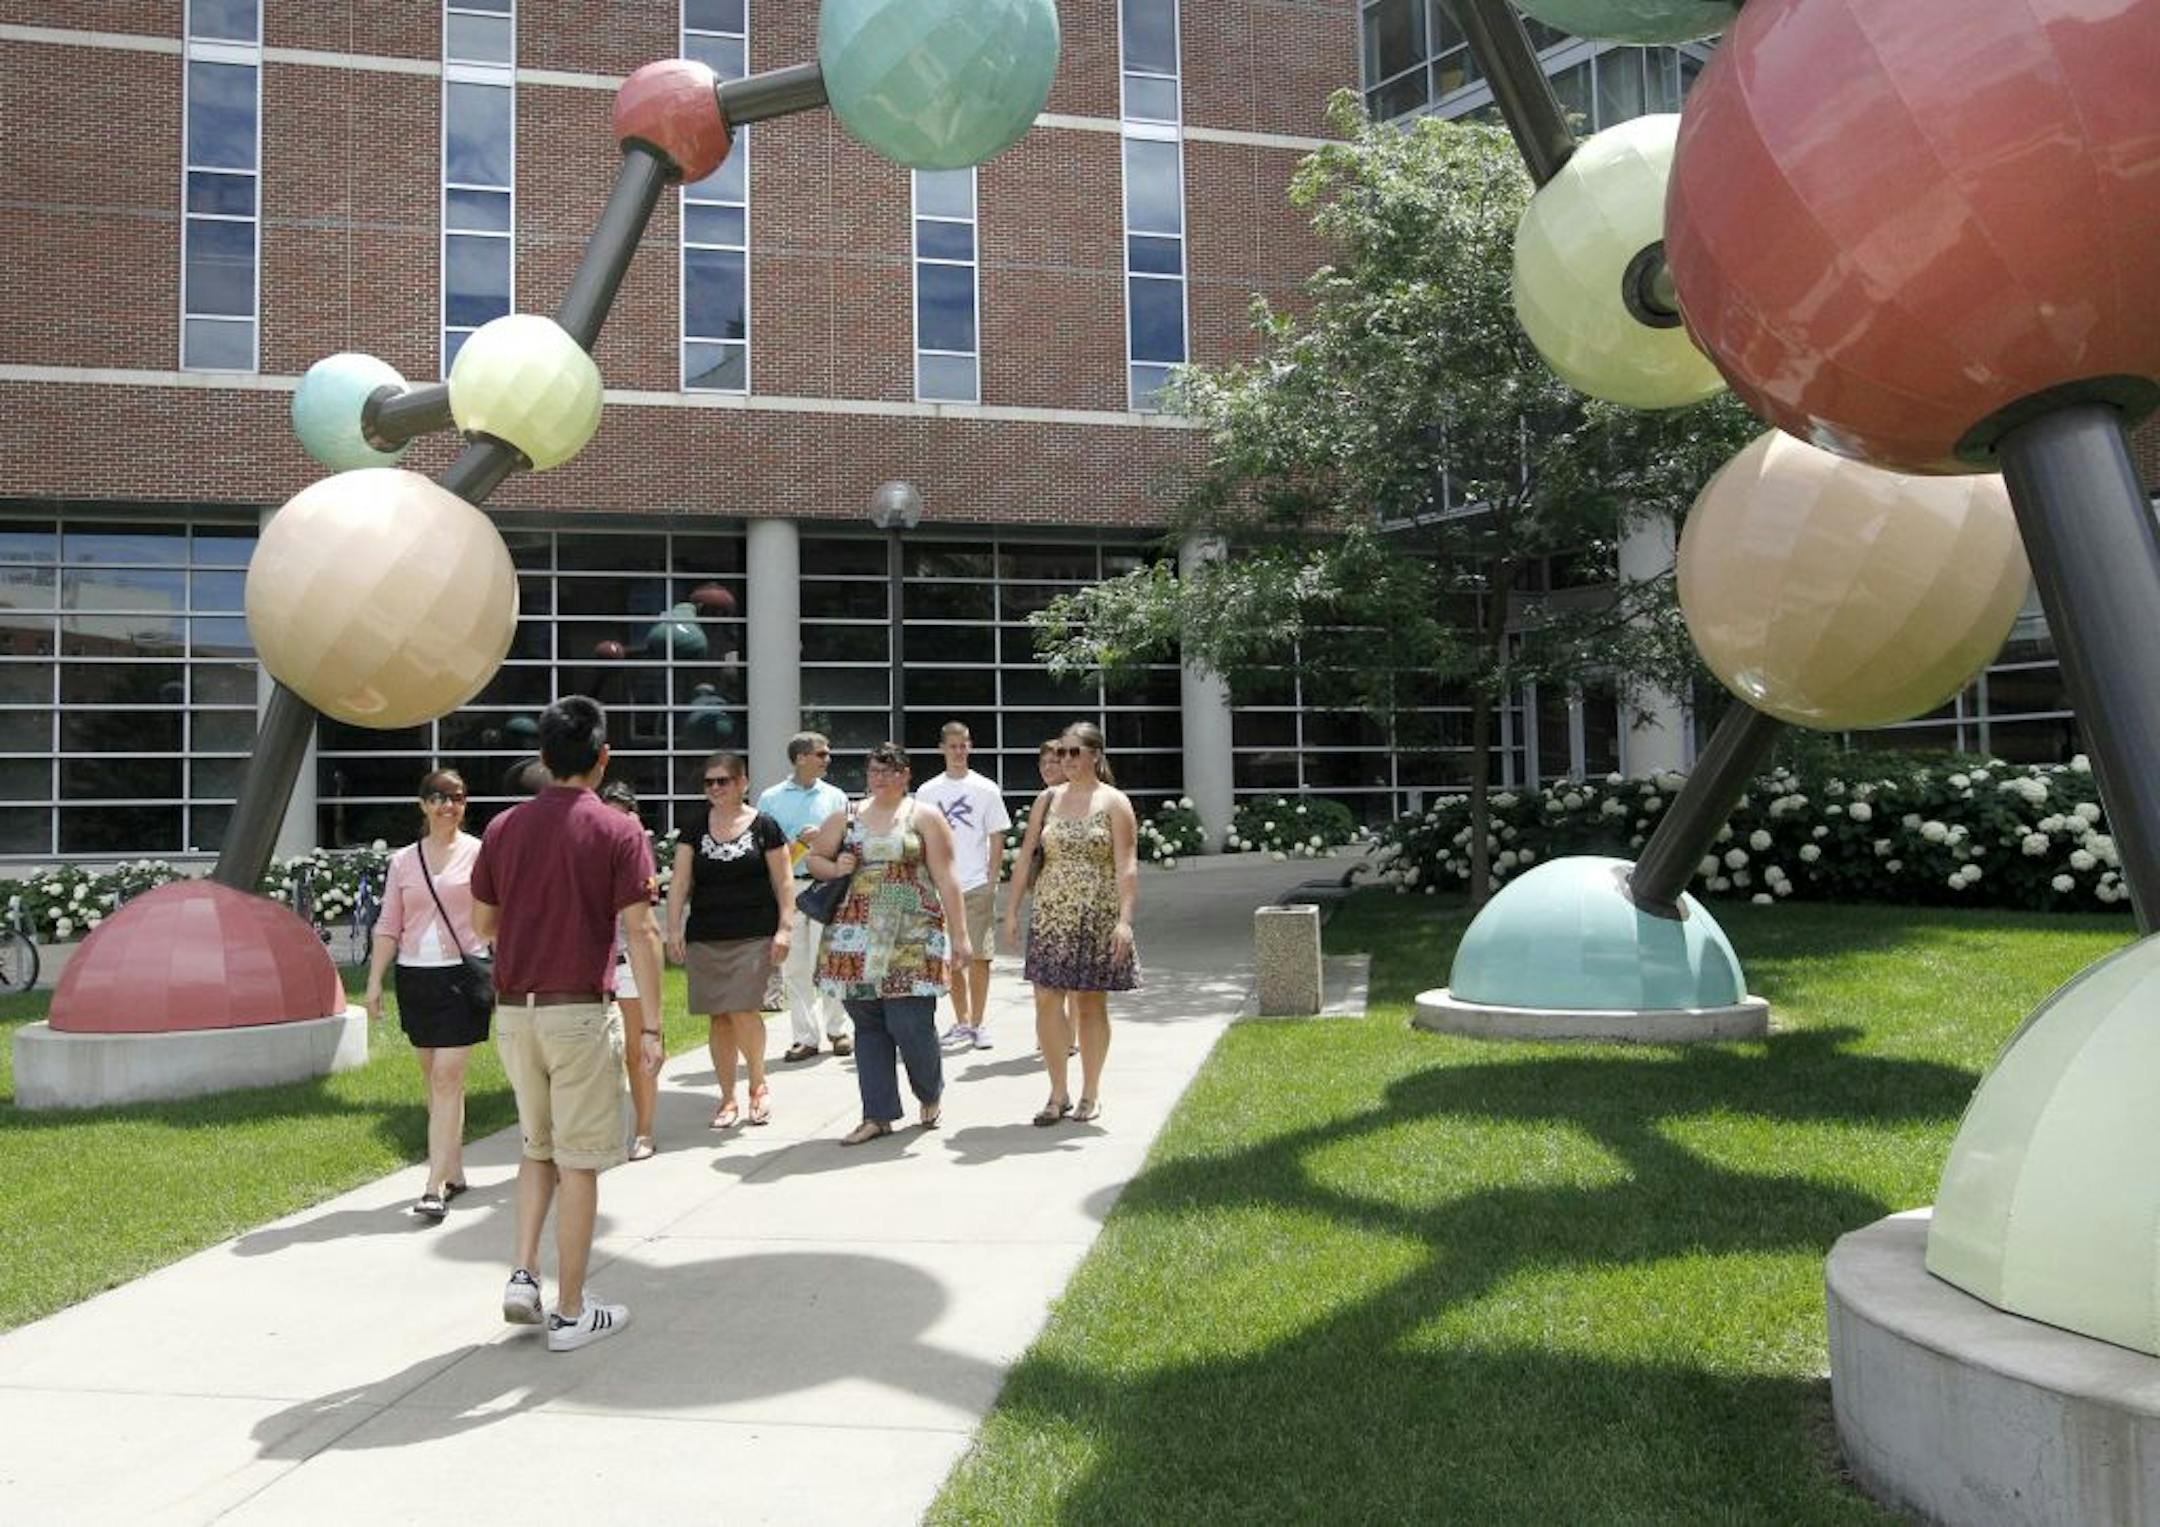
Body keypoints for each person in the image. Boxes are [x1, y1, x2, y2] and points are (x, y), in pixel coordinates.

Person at [472, 696, 664, 1354]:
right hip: (577, 1009)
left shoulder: (503, 828)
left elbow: (483, 923)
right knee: (579, 1163)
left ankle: (524, 1274)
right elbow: (641, 929)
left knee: (537, 1147)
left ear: (544, 757)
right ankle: (572, 1311)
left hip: (513, 1010)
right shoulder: (618, 829)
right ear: (603, 756)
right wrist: (652, 1026)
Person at [802, 741, 972, 1145]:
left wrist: (961, 935)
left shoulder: (924, 816)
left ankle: (929, 1091)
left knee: (909, 1022)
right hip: (855, 935)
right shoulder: (845, 816)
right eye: (874, 770)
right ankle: (877, 1114)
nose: (880, 778)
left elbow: (947, 877)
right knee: (869, 1025)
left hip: (912, 932)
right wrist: (834, 866)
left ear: (905, 774)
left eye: (889, 770)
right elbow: (813, 860)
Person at [363, 768, 487, 1221]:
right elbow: (389, 924)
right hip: (416, 977)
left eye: (455, 797)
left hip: (464, 976)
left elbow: (496, 913)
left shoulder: (479, 853)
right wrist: (374, 981)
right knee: (434, 1079)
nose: (446, 806)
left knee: (446, 1078)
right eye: (437, 798)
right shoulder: (403, 861)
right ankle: (454, 1170)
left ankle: (434, 1187)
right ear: (423, 805)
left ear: (465, 803)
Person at [1003, 722, 1139, 1127]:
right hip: (1051, 913)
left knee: (1089, 1002)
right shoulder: (1047, 799)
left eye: (1073, 752)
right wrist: (1011, 911)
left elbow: (1126, 865)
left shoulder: (1114, 802)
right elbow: (1025, 858)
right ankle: (1057, 1092)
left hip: (1097, 913)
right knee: (1047, 999)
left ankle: (1090, 1092)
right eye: (1061, 752)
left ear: (1095, 755)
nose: (1065, 760)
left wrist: (1125, 921)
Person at [666, 750, 795, 1130]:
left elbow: (784, 881)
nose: (715, 788)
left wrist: (785, 928)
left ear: (743, 783)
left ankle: (757, 1084)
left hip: (754, 934)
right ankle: (727, 1097)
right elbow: (679, 883)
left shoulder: (765, 826)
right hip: (707, 935)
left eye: (723, 780)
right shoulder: (694, 827)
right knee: (719, 1017)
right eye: (709, 782)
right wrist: (673, 930)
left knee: (743, 1009)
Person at [754, 732, 853, 1063]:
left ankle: (838, 1030)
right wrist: (798, 844)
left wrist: (826, 843)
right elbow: (763, 847)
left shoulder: (836, 797)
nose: (828, 759)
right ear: (800, 758)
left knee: (831, 960)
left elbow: (849, 842)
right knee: (795, 965)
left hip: (829, 885)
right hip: (790, 887)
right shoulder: (770, 799)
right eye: (821, 754)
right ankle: (804, 1037)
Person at [914, 721, 1011, 1049]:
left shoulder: (986, 789)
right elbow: (920, 838)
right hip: (940, 886)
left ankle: (979, 1024)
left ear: (970, 747)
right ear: (941, 748)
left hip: (976, 883)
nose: (958, 751)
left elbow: (996, 836)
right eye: (952, 746)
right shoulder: (927, 791)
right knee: (952, 955)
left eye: (963, 745)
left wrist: (991, 879)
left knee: (980, 956)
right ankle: (962, 1020)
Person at [601, 780, 664, 1161]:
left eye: (623, 813)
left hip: (629, 961)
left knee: (639, 1049)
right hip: (595, 962)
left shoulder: (636, 847)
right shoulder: (587, 844)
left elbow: (644, 921)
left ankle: (644, 1130)